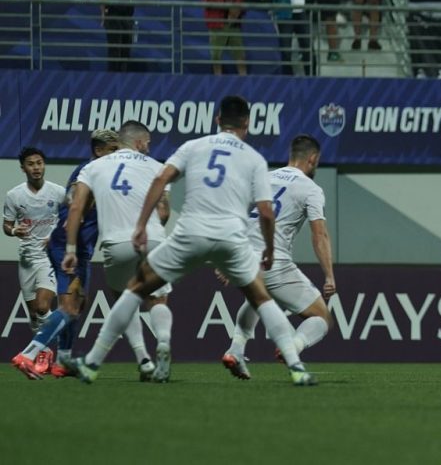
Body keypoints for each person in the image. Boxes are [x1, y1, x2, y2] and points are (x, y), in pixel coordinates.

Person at [67, 95, 316, 386]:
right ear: (247, 123)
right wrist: (270, 250)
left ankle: (93, 362)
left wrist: (140, 225)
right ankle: (296, 367)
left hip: (189, 234)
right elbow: (265, 211)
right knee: (262, 298)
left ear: (217, 120)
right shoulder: (254, 159)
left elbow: (161, 180)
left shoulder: (194, 146)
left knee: (134, 290)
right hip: (231, 238)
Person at [11, 130, 156, 381]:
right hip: (70, 248)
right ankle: (28, 354)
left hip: (81, 248)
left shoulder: (100, 171)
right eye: (112, 150)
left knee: (78, 306)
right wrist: (70, 244)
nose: (116, 155)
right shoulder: (89, 172)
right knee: (69, 307)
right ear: (99, 151)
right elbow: (76, 205)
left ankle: (62, 361)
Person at [62, 121, 175, 383]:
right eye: (147, 142)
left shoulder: (92, 167)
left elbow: (76, 209)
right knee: (157, 299)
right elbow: (164, 211)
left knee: (123, 298)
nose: (149, 147)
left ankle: (143, 360)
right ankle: (164, 343)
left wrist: (70, 249)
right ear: (137, 142)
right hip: (153, 239)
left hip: (117, 242)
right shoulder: (157, 167)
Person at [221, 134, 336, 380]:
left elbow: (235, 213)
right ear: (313, 159)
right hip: (273, 260)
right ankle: (292, 347)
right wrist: (328, 275)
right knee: (322, 317)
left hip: (240, 257)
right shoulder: (311, 189)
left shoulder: (263, 177)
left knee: (256, 298)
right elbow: (319, 235)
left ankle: (235, 351)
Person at [4, 147, 65, 377]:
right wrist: (13, 231)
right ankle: (45, 351)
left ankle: (43, 353)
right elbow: (7, 225)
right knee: (35, 316)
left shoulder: (58, 192)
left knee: (43, 306)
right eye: (31, 164)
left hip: (49, 258)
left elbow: (71, 218)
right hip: (26, 259)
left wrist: (57, 236)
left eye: (39, 163)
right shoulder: (14, 195)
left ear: (44, 164)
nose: (36, 167)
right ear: (23, 168)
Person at [204, 0, 248, 76]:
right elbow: (208, 0)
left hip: (234, 24)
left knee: (240, 54)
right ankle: (217, 80)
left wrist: (236, 8)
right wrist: (226, 1)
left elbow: (240, 0)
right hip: (217, 24)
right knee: (216, 55)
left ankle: (244, 78)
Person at [272, 0, 313, 75]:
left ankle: (311, 77)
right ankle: (288, 79)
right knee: (285, 51)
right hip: (285, 13)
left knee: (308, 47)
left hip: (303, 12)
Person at [100, 0, 136, 72]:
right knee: (115, 51)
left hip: (127, 17)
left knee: (126, 51)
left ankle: (123, 78)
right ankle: (113, 77)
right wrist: (103, 14)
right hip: (113, 15)